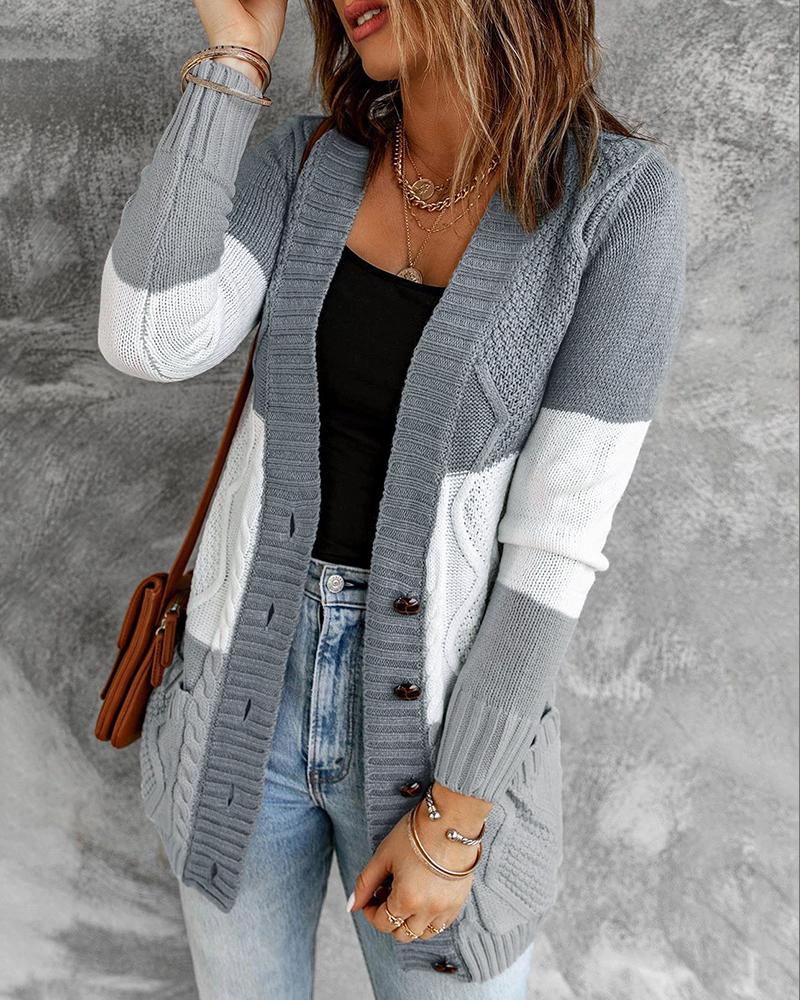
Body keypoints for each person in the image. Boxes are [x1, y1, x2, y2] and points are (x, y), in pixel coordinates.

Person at [96, 0, 688, 995]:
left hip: (440, 732)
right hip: (240, 694)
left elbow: (555, 545)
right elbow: (148, 336)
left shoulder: (614, 204)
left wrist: (459, 814)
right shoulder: (307, 165)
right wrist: (233, 64)